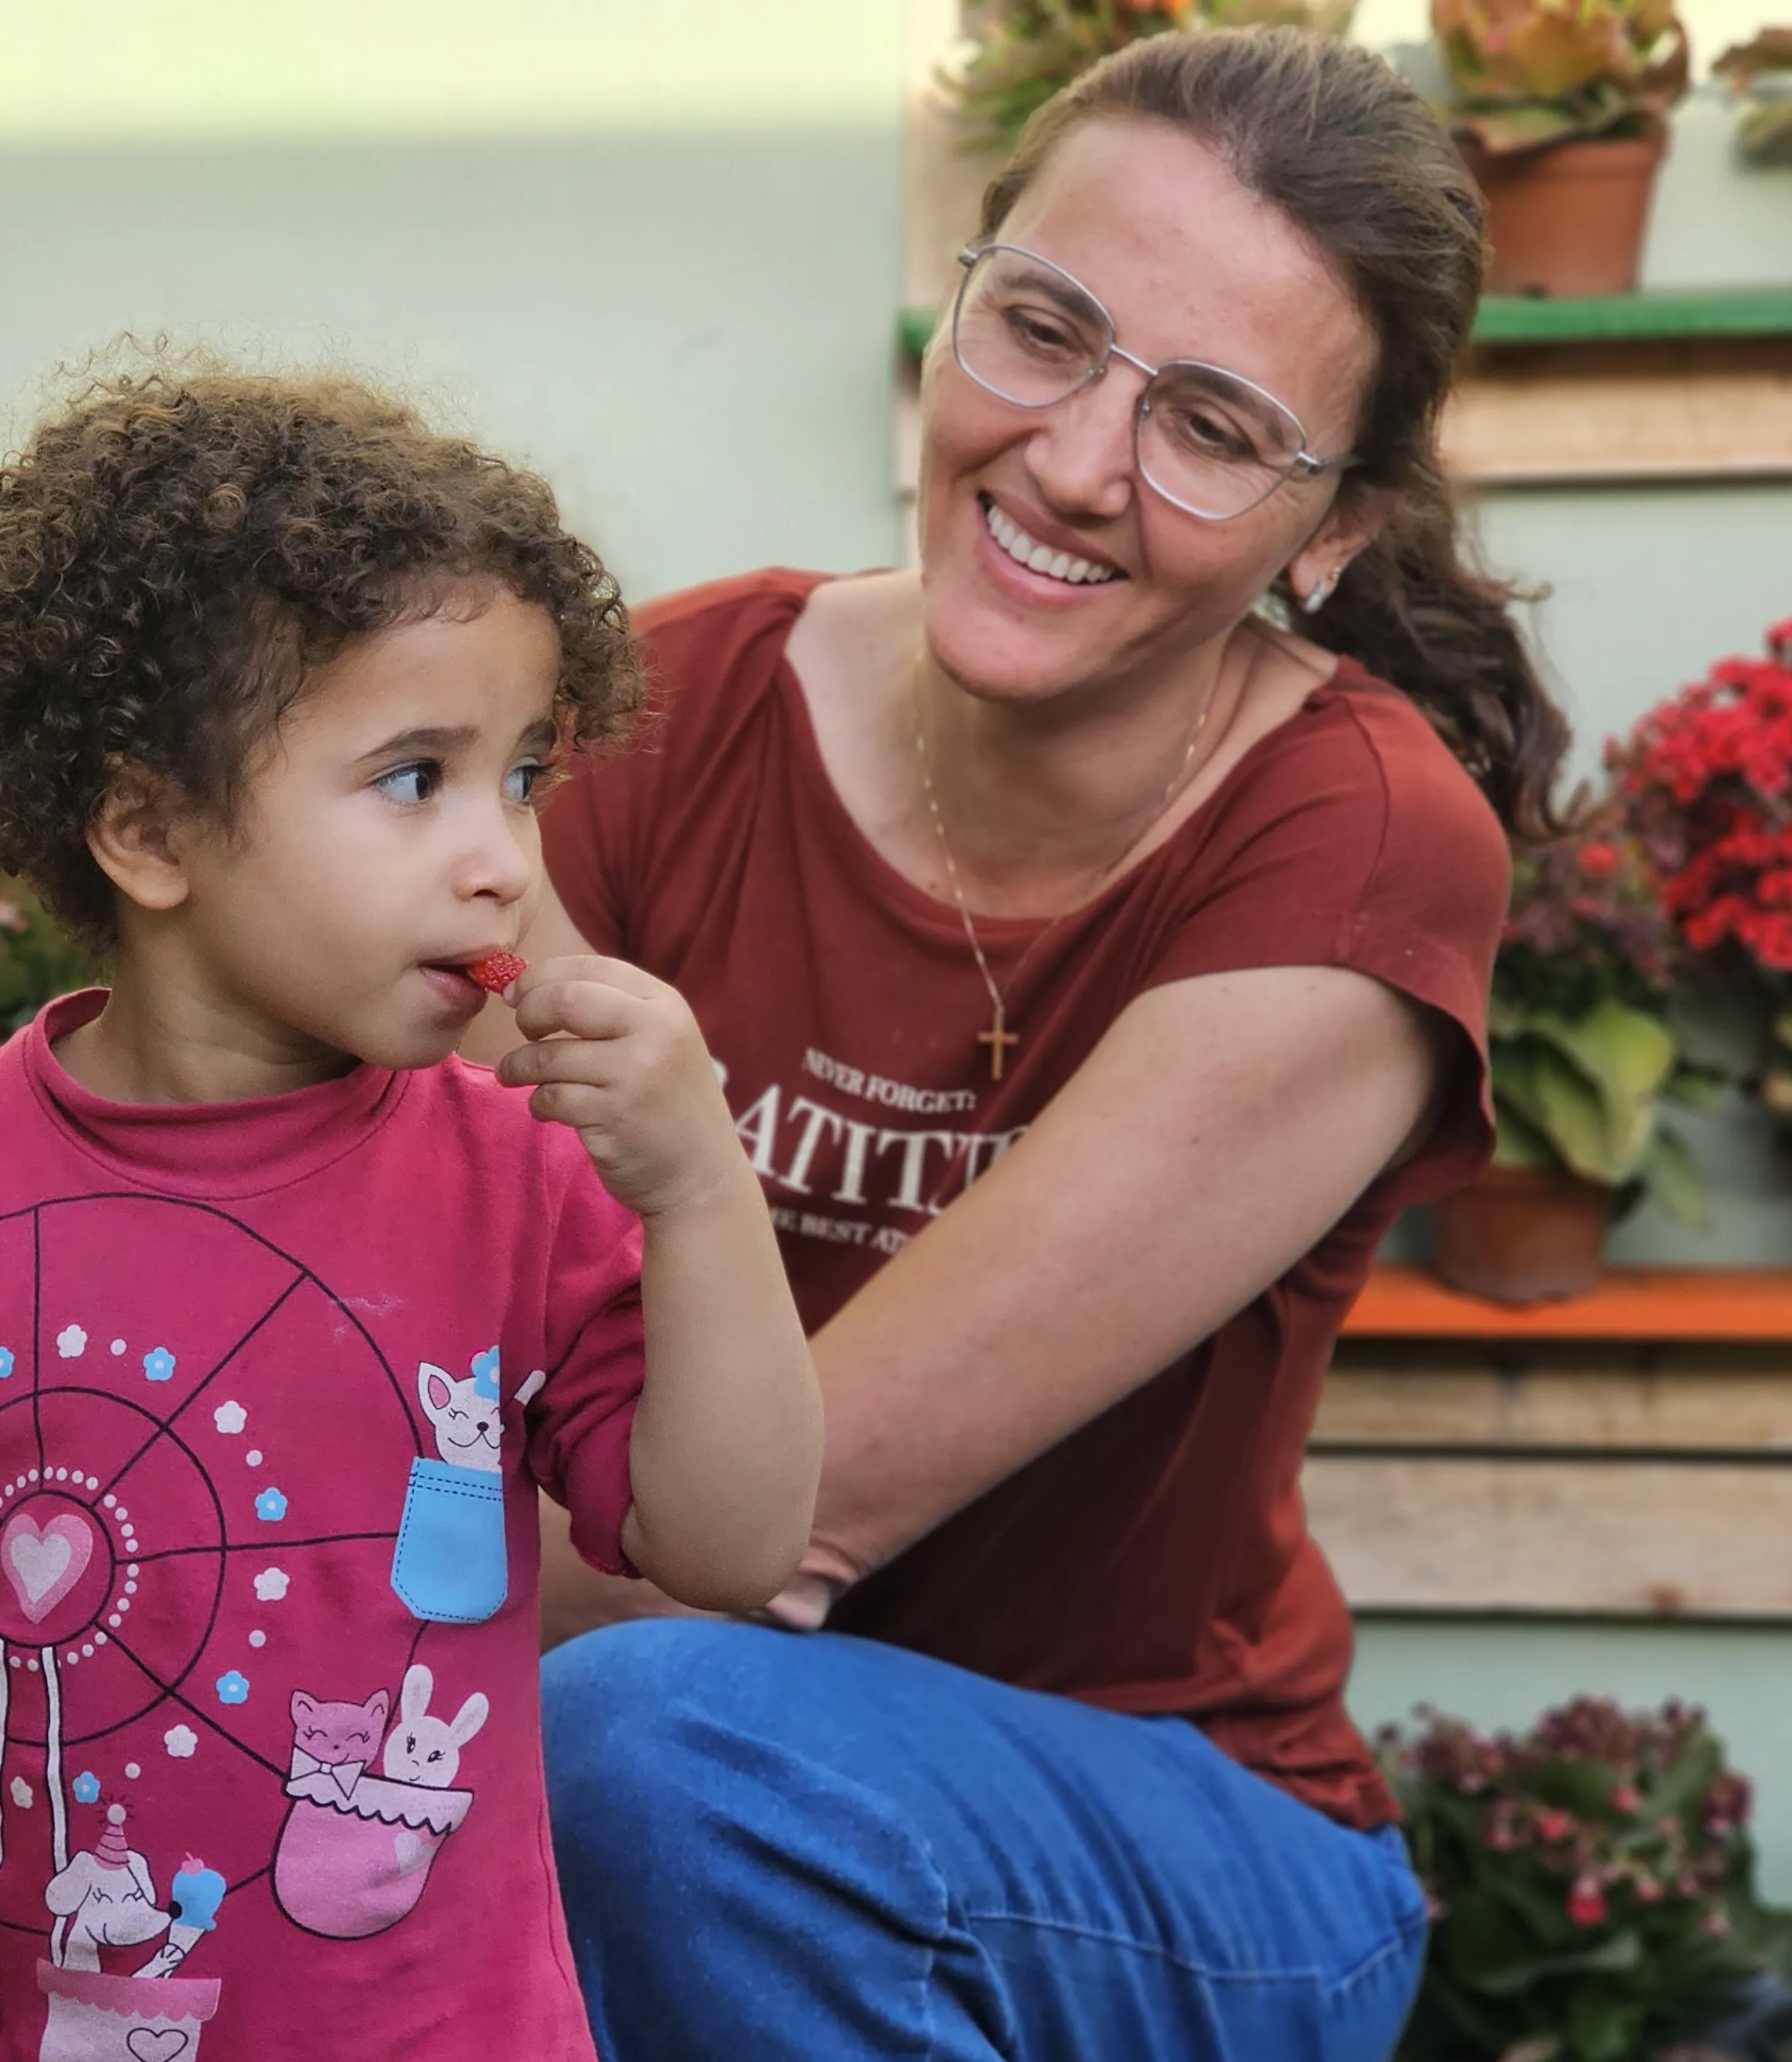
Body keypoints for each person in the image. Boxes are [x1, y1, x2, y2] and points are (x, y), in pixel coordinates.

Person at [505, 28, 1568, 2062]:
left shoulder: (1352, 842)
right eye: (1046, 331)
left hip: (1170, 1837)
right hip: (670, 1782)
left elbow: (767, 1529)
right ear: (959, 308)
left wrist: (192, 1661)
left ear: (1328, 531)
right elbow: (396, 1280)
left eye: (1212, 425)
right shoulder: (670, 709)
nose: (1076, 464)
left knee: (653, 1742)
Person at [0, 369, 821, 2062]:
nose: (505, 859)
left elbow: (733, 1544)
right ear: (146, 828)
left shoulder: (520, 1179)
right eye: (415, 777)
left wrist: (699, 1189)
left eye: (521, 776)